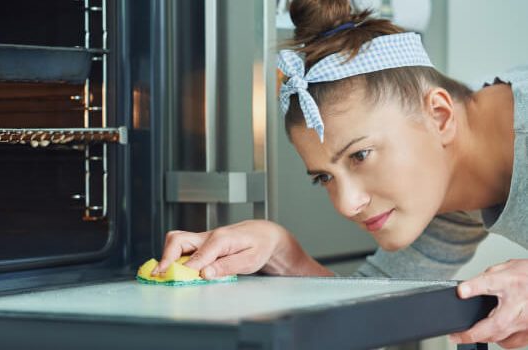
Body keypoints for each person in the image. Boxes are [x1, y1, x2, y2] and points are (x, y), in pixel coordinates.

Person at [152, 0, 528, 347]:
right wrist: (283, 253)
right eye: (324, 178)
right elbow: (371, 311)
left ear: (439, 116)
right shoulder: (448, 198)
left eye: (360, 155)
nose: (348, 204)